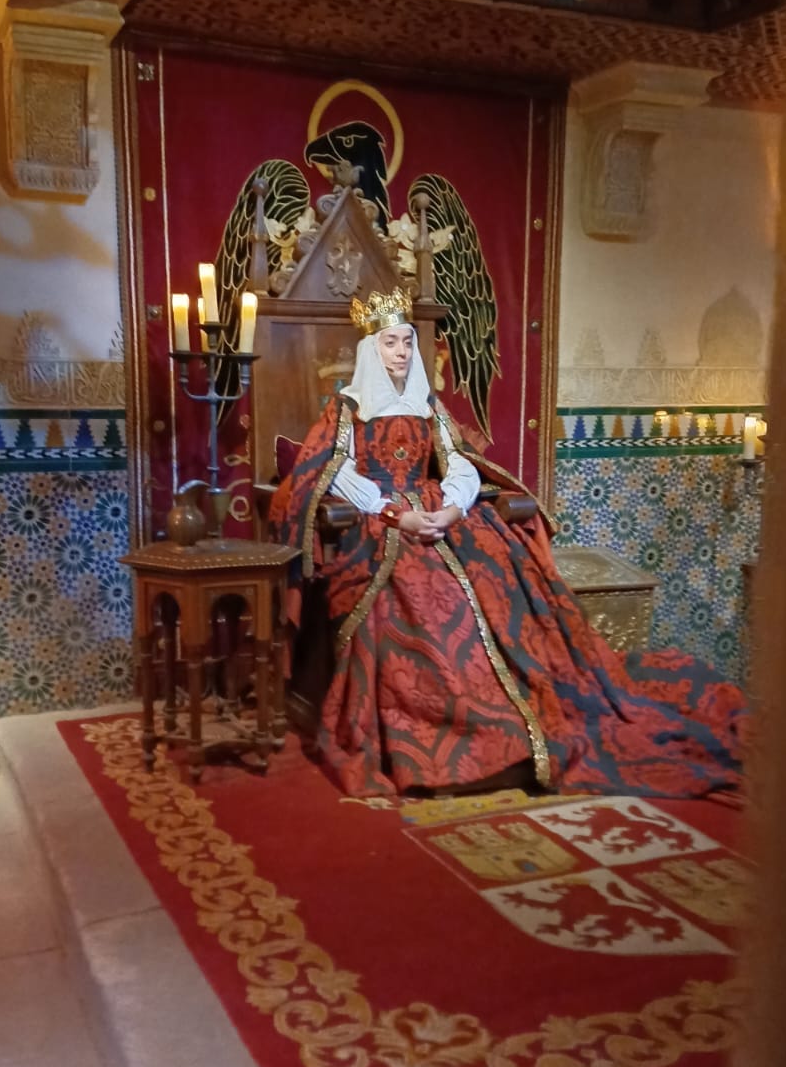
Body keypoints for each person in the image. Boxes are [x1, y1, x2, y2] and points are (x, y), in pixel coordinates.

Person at [269, 287, 744, 803]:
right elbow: (332, 472)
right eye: (390, 343)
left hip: (442, 517)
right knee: (416, 599)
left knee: (500, 576)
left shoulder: (428, 406)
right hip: (379, 522)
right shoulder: (348, 409)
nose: (402, 351)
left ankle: (522, 719)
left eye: (407, 341)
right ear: (371, 348)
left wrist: (451, 509)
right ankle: (445, 736)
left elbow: (460, 464)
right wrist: (396, 515)